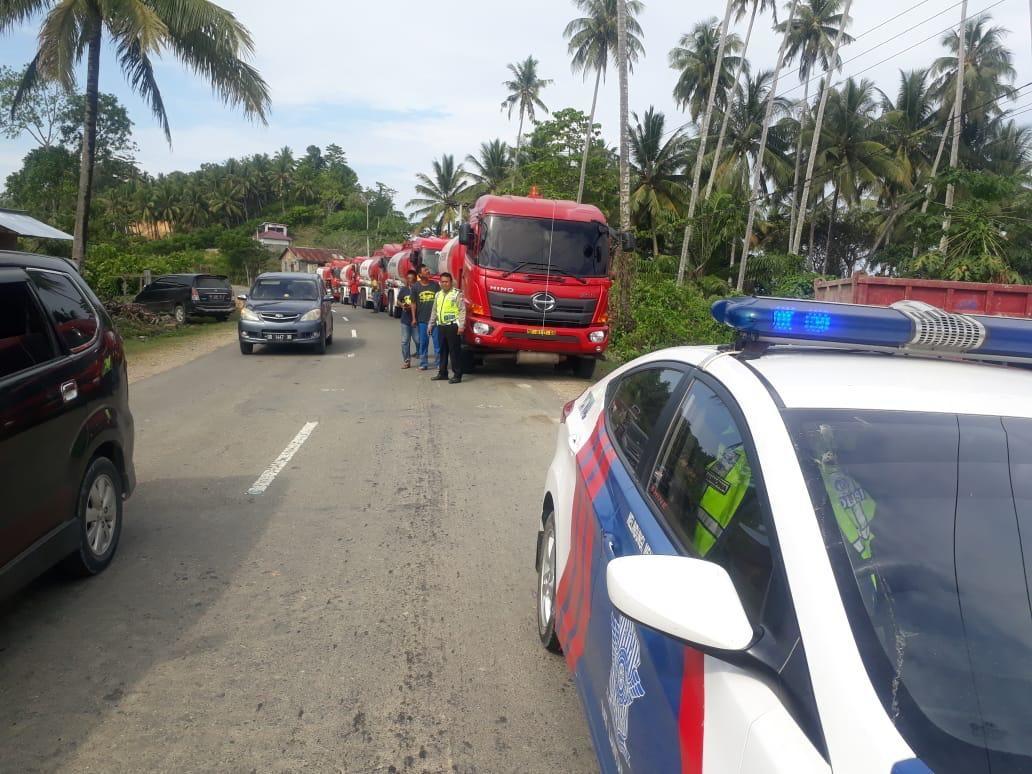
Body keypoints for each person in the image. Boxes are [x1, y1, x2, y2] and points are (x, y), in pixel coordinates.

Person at [428, 272, 465, 384]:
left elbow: (462, 310)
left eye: (446, 281)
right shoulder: (438, 295)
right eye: (442, 281)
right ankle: (443, 373)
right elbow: (434, 311)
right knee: (442, 351)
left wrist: (461, 326)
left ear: (451, 282)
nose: (444, 284)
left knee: (454, 352)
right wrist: (431, 324)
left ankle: (457, 375)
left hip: (453, 326)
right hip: (441, 326)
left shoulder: (456, 294)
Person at [414, 265, 440, 371]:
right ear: (420, 274)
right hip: (422, 320)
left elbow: (440, 300)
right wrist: (413, 318)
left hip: (435, 321)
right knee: (423, 343)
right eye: (425, 270)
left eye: (428, 269)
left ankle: (439, 363)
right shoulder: (416, 287)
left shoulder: (435, 285)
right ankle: (423, 363)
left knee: (437, 343)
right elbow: (413, 303)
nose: (428, 271)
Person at [398, 270, 418, 368]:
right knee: (405, 341)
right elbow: (398, 300)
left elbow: (420, 303)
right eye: (409, 279)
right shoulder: (403, 290)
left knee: (418, 340)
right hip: (405, 320)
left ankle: (419, 354)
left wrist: (412, 307)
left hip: (416, 320)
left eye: (412, 279)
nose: (411, 280)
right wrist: (402, 305)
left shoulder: (418, 290)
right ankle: (407, 361)